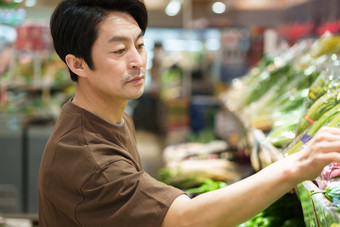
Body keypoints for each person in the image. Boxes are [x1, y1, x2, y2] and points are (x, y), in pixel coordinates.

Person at [38, 0, 340, 226]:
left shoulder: (111, 118)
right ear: (77, 64)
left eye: (140, 45)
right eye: (119, 51)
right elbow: (184, 220)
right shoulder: (88, 158)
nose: (137, 61)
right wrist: (296, 166)